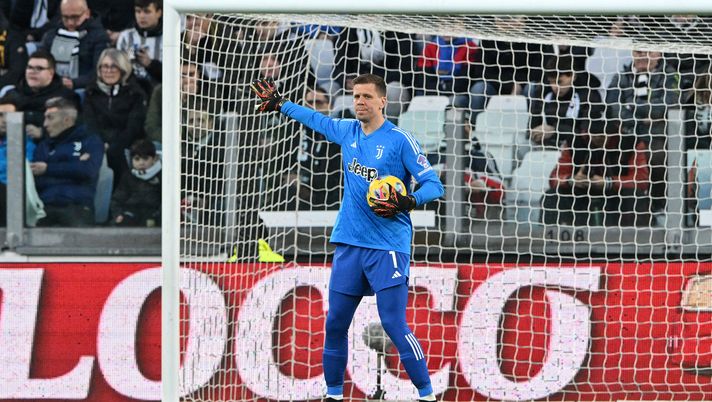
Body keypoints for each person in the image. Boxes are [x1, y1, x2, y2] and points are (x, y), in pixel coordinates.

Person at [250, 73, 444, 402]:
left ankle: (427, 394)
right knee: (335, 323)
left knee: (394, 324)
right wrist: (282, 104)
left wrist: (409, 201)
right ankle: (334, 395)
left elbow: (434, 185)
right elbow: (315, 119)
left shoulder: (400, 140)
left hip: (387, 246)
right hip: (349, 243)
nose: (359, 102)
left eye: (367, 97)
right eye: (355, 96)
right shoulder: (348, 131)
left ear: (383, 101)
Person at [541, 126, 652, 227]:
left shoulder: (631, 142)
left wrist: (610, 183)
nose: (598, 137)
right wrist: (571, 180)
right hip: (580, 193)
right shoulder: (573, 142)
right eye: (594, 134)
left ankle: (634, 241)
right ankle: (554, 242)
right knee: (552, 196)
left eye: (603, 134)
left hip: (616, 196)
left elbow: (641, 180)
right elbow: (554, 178)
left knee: (636, 196)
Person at [31, 96, 103, 227]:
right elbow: (37, 180)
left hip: (77, 205)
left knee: (80, 240)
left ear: (67, 119)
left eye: (50, 118)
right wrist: (73, 169)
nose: (45, 124)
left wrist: (48, 169)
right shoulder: (44, 146)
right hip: (45, 205)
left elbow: (88, 171)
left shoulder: (89, 141)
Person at [83, 48, 147, 183]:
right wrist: (100, 145)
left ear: (123, 69)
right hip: (99, 143)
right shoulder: (91, 92)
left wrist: (113, 146)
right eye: (104, 66)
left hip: (125, 144)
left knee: (116, 156)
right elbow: (90, 123)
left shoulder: (135, 93)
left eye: (114, 66)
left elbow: (134, 127)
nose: (108, 71)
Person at [1, 49, 78, 140]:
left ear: (51, 73)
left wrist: (43, 133)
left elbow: (72, 128)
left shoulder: (66, 96)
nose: (32, 72)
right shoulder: (12, 93)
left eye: (39, 68)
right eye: (29, 67)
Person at [40, 0, 109, 89]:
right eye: (65, 17)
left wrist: (74, 83)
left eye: (75, 17)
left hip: (81, 87)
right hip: (52, 84)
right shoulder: (51, 35)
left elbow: (98, 71)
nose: (70, 22)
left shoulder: (99, 37)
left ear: (87, 13)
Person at [110, 138, 161, 226]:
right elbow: (117, 199)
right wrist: (118, 214)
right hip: (131, 212)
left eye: (145, 158)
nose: (141, 162)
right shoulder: (128, 176)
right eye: (137, 159)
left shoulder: (162, 175)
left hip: (153, 213)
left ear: (154, 158)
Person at [0, 100, 36, 226]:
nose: (5, 120)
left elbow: (22, 169)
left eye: (10, 116)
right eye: (0, 115)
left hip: (12, 195)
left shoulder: (25, 143)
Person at [116, 0, 163, 93]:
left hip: (161, 91)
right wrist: (130, 61)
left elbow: (173, 75)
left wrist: (150, 64)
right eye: (138, 11)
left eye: (147, 11)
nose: (141, 16)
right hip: (131, 92)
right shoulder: (126, 37)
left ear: (159, 13)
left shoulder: (169, 39)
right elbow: (118, 69)